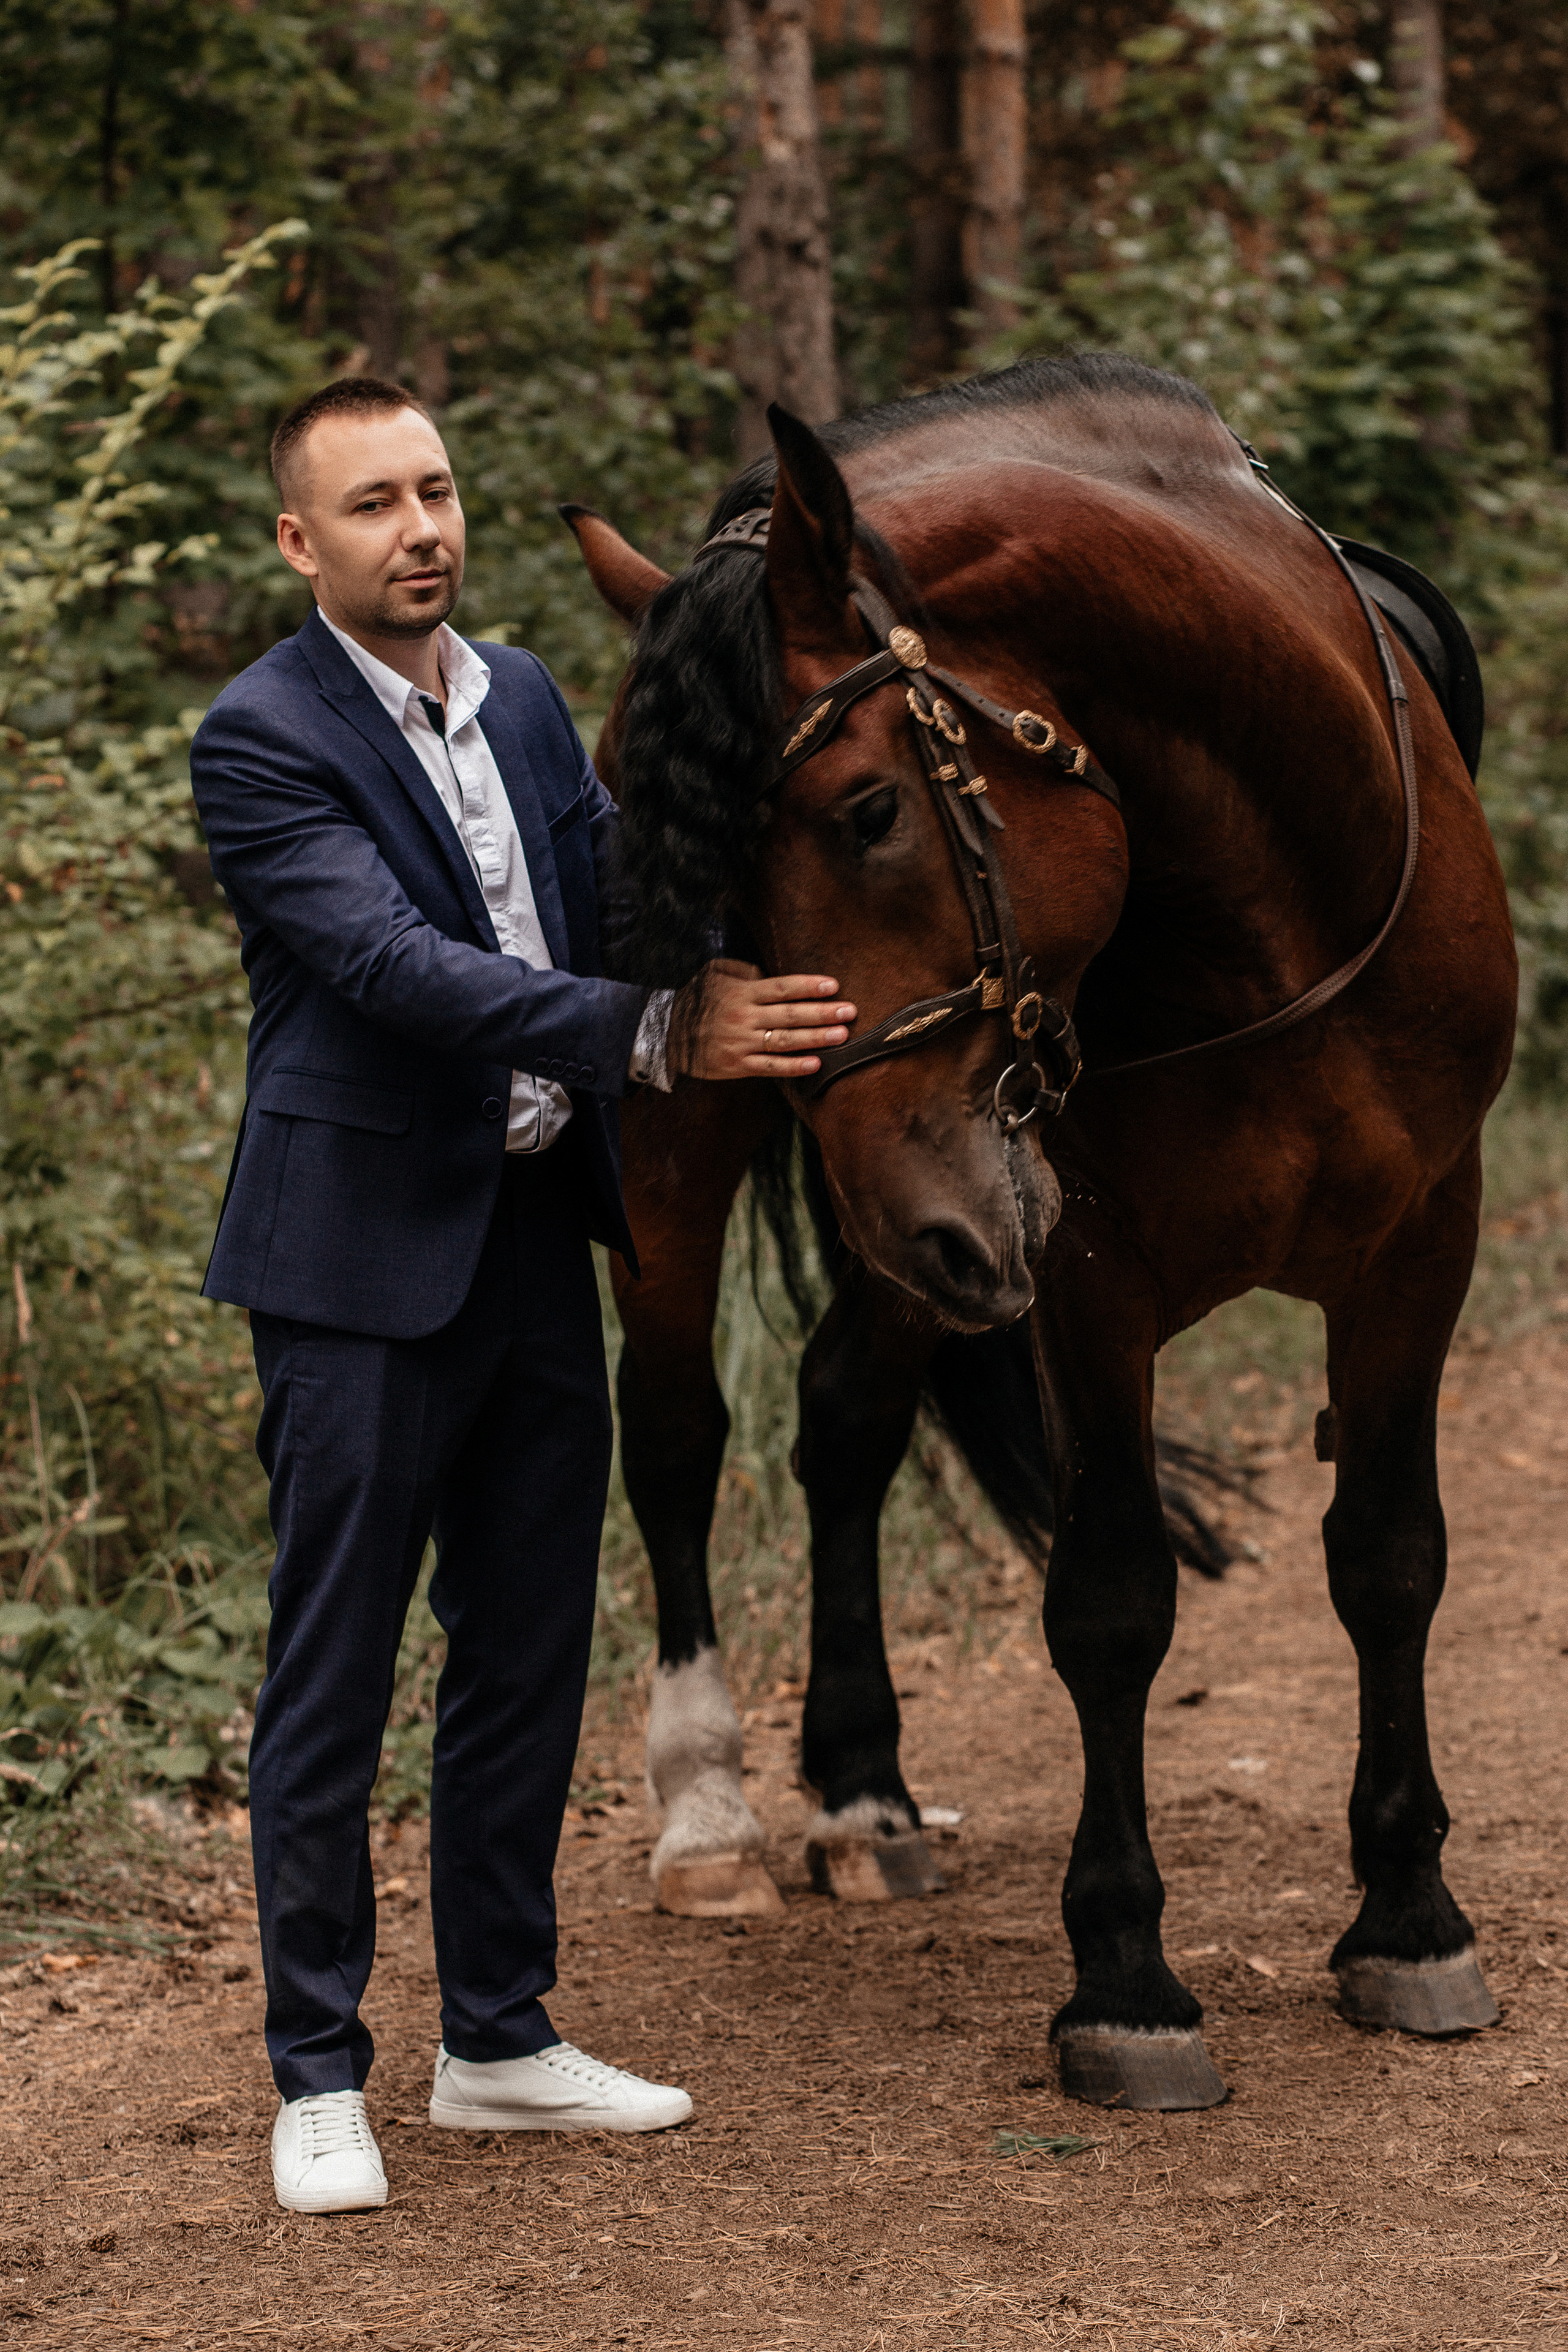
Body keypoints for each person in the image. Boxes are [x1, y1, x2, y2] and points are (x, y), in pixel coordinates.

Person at [189, 376, 855, 2215]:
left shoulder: (535, 694)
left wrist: (759, 976)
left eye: (438, 490)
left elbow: (620, 900)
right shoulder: (261, 738)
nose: (422, 530)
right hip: (351, 1263)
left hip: (534, 1239)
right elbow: (397, 968)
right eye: (376, 505)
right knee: (331, 1674)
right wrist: (660, 1032)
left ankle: (495, 2037)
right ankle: (317, 2072)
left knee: (527, 1654)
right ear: (299, 542)